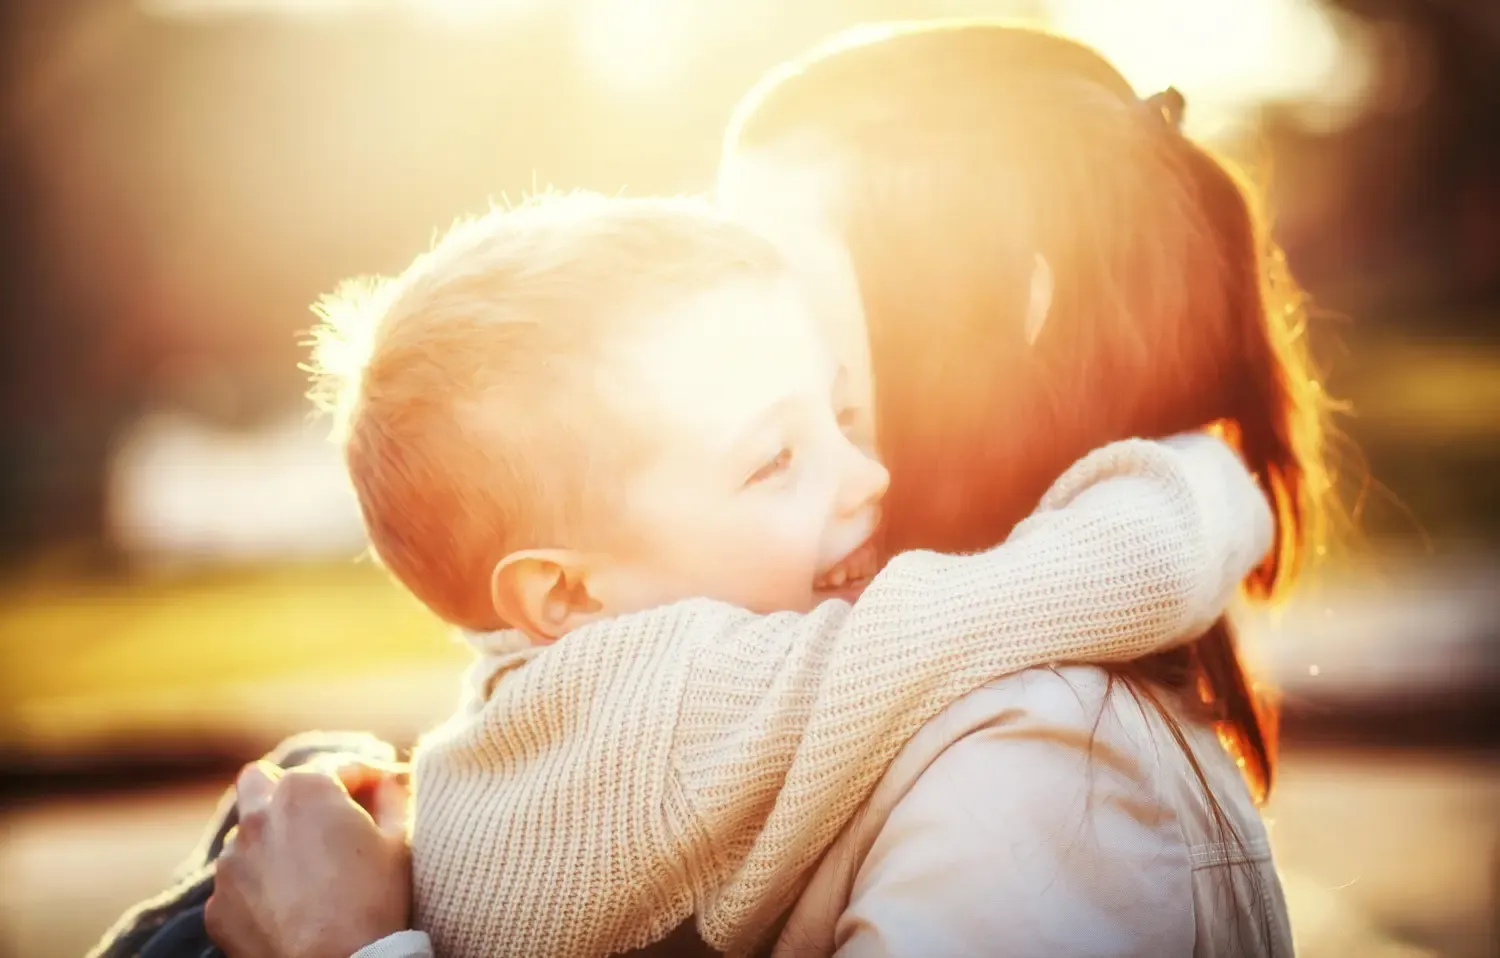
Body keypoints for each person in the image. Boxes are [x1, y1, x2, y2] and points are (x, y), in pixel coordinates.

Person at [206, 20, 1330, 958]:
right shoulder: (729, 694)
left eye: (772, 262)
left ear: (1002, 316)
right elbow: (1120, 561)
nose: (742, 312)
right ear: (561, 591)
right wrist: (1211, 475)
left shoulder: (1034, 769)